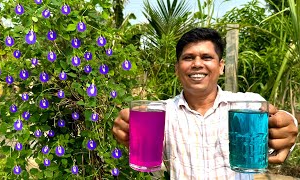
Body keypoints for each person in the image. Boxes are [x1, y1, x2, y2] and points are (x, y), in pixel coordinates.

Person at [112, 27, 298, 179]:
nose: (197, 64)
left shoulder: (247, 106)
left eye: (206, 57)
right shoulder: (161, 113)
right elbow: (155, 169)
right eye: (188, 58)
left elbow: (281, 124)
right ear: (177, 69)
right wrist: (127, 130)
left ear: (221, 66)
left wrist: (289, 123)